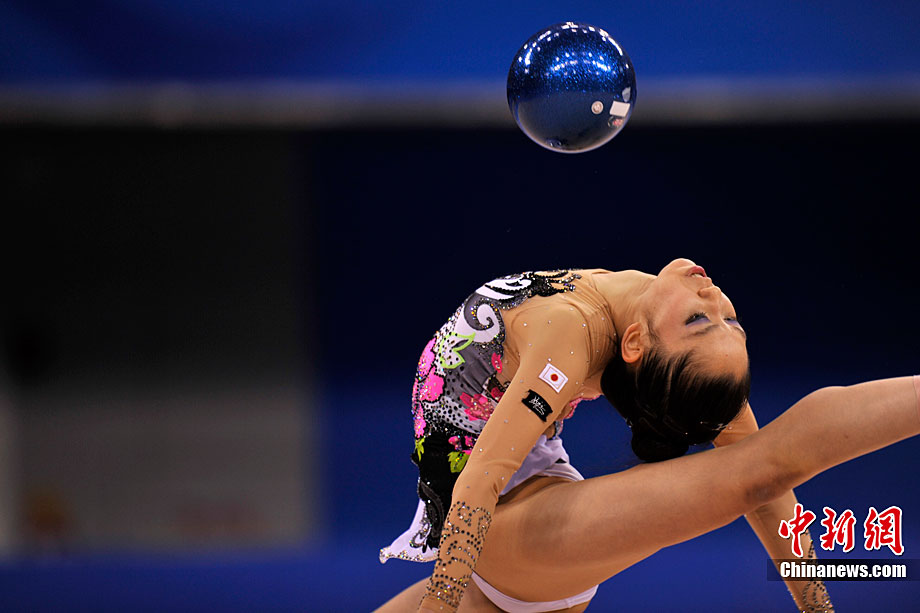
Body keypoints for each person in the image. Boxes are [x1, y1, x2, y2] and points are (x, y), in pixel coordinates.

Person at [376, 260, 920, 612]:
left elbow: (766, 485)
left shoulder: (575, 330)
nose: (716, 299)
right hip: (490, 550)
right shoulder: (644, 311)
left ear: (635, 344)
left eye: (701, 320)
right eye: (728, 320)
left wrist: (817, 606)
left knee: (757, 468)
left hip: (504, 528)